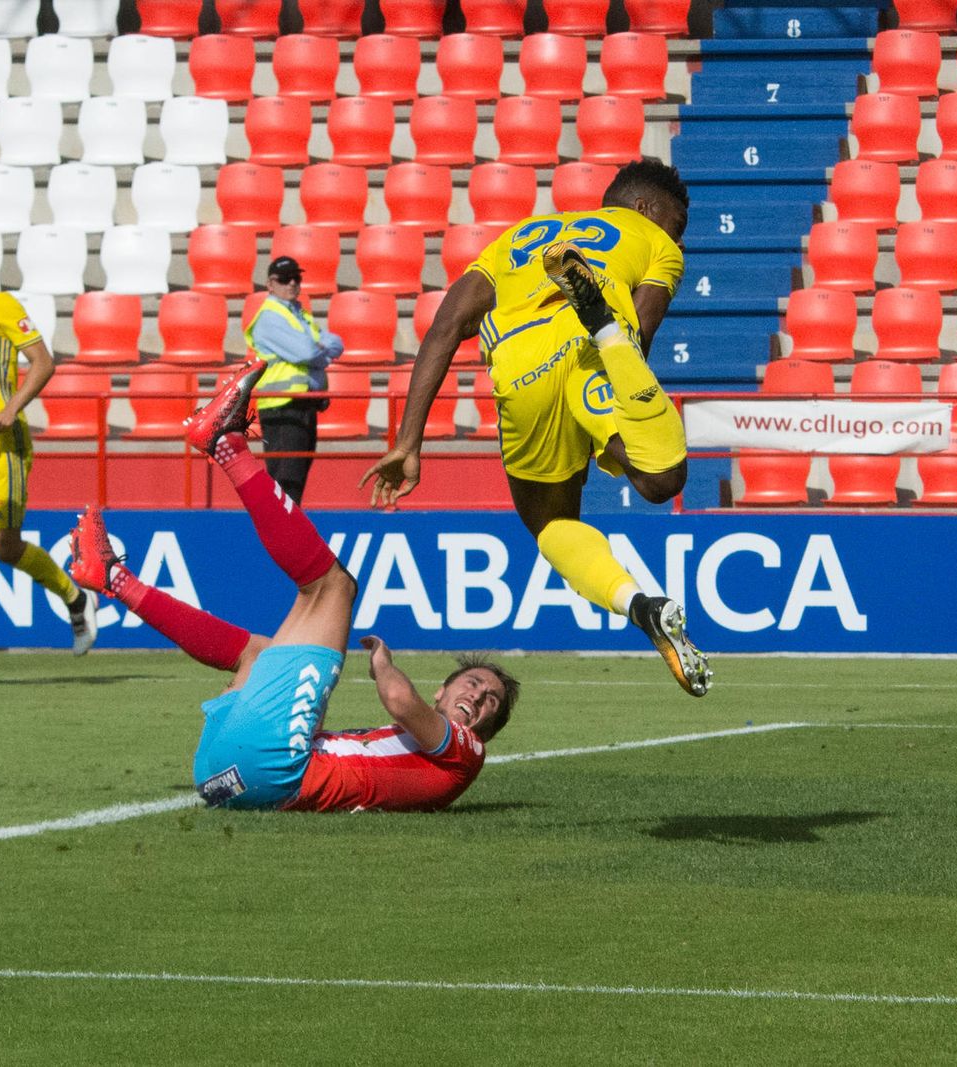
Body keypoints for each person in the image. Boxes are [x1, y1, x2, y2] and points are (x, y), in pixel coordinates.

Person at [67, 361, 517, 812]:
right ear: (442, 689)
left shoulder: (466, 750)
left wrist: (382, 663)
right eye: (475, 684)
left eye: (489, 701)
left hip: (274, 771)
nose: (477, 697)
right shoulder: (419, 753)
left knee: (333, 587)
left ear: (487, 728)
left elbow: (399, 700)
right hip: (221, 778)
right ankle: (114, 580)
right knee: (256, 655)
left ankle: (225, 443)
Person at [360, 158, 712, 698]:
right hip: (597, 353)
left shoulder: (519, 236)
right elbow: (643, 327)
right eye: (677, 225)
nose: (678, 239)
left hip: (522, 366)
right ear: (645, 208)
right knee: (660, 479)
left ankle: (641, 607)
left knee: (549, 527)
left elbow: (446, 325)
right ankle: (601, 330)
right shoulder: (656, 243)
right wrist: (618, 400)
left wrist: (408, 441)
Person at [0, 229, 96, 654]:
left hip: (1, 445)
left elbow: (44, 362)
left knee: (3, 546)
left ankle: (74, 597)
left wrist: (10, 409)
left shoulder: (0, 307)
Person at [245, 255, 344, 504]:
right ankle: (283, 536)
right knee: (286, 480)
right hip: (281, 407)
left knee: (296, 478)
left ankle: (287, 532)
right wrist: (317, 349)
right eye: (285, 279)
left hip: (303, 405)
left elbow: (336, 343)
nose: (292, 284)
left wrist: (314, 348)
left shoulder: (298, 314)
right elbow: (308, 351)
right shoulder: (269, 317)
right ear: (270, 283)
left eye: (296, 278)